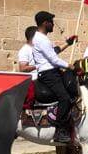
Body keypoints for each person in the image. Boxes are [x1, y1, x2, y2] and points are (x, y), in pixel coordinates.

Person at [31, 10, 76, 144]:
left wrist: (68, 42)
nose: (53, 25)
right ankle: (59, 131)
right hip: (49, 74)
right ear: (45, 23)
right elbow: (54, 59)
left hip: (53, 72)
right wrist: (70, 66)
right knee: (65, 99)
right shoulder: (40, 39)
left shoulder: (42, 38)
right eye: (51, 22)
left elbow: (53, 52)